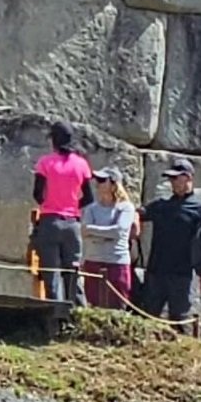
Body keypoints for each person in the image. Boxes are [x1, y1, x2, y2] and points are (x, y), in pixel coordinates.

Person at [137, 158, 201, 334]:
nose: (172, 182)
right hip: (156, 271)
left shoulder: (199, 211)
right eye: (171, 178)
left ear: (188, 178)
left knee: (180, 320)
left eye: (176, 178)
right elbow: (138, 213)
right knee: (147, 317)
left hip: (182, 274)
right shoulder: (161, 206)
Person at [30, 122, 94, 305]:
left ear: (53, 140)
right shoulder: (81, 164)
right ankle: (78, 313)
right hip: (72, 223)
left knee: (51, 276)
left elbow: (37, 194)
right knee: (73, 274)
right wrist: (72, 205)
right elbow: (89, 197)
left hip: (50, 222)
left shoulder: (45, 162)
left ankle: (55, 315)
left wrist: (49, 205)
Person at [79, 167, 137, 309]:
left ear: (113, 184)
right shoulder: (91, 209)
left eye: (102, 180)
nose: (97, 183)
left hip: (116, 263)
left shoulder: (126, 208)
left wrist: (94, 231)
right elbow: (84, 230)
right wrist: (106, 233)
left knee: (117, 306)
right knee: (93, 306)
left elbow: (118, 231)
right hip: (93, 261)